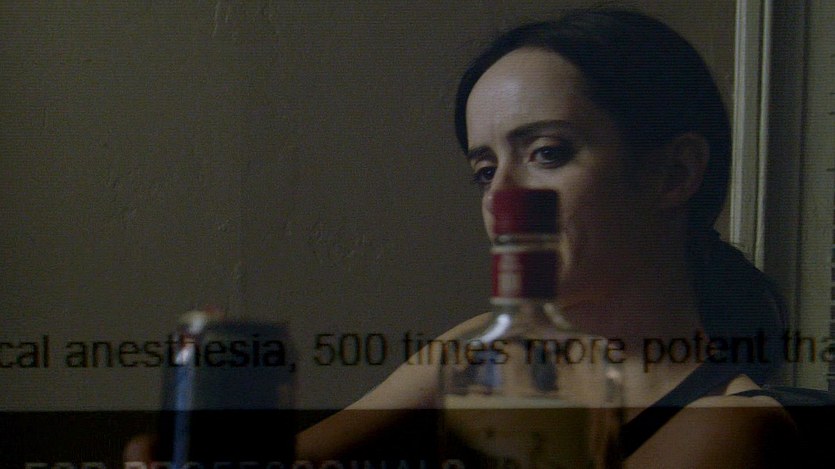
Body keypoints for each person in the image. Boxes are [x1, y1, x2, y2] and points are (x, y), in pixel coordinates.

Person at [127, 8, 801, 468]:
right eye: (484, 170)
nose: (502, 196)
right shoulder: (479, 350)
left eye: (547, 152)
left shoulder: (734, 424)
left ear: (674, 173)